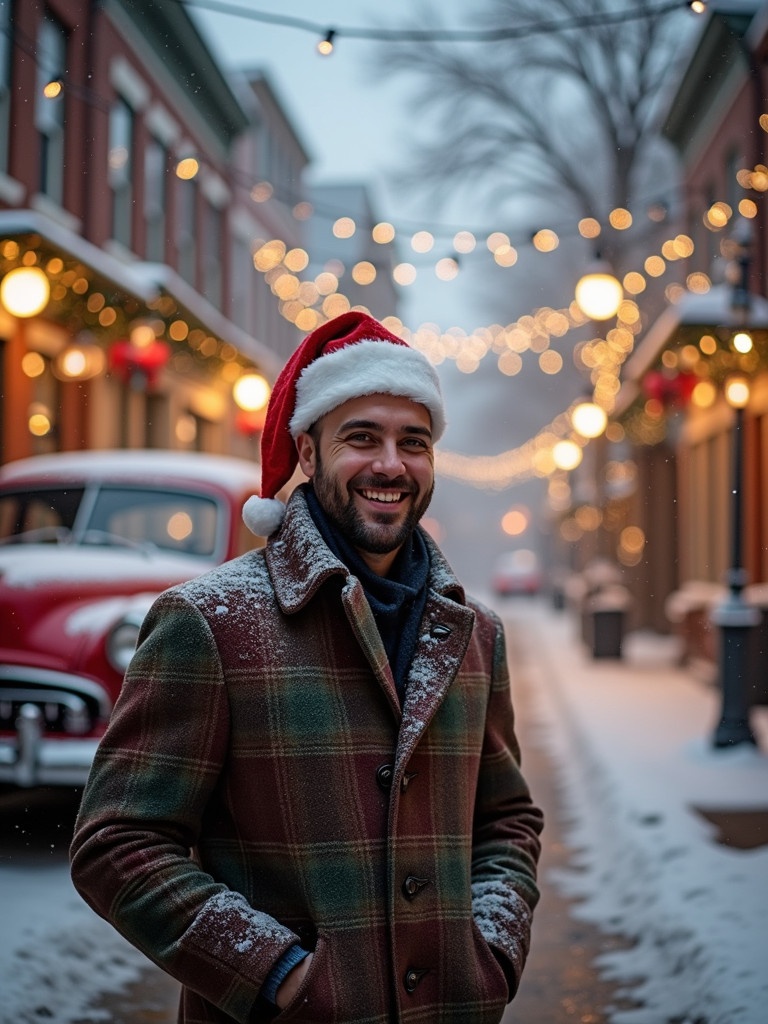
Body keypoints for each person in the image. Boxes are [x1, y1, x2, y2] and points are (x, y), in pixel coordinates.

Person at [70, 311, 544, 1024]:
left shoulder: (476, 634)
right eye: (362, 437)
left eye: (413, 442)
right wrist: (279, 975)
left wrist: (491, 950)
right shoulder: (209, 622)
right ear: (309, 452)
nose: (391, 464)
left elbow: (506, 819)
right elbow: (117, 844)